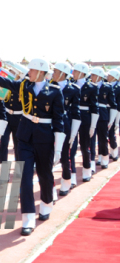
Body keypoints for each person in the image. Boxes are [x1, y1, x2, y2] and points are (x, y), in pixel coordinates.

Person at [0, 59, 65, 236]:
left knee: (45, 174)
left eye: (32, 70)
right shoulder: (24, 85)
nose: (28, 72)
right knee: (24, 177)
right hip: (25, 136)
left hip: (45, 138)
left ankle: (47, 203)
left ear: (40, 72)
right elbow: (3, 82)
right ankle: (28, 217)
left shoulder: (55, 92)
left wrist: (58, 148)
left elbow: (59, 121)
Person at [50, 62, 80, 195]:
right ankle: (50, 189)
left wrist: (73, 133)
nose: (53, 73)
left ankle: (66, 181)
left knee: (64, 156)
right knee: (48, 157)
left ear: (63, 73)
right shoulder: (48, 86)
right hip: (49, 125)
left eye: (55, 71)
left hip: (65, 125)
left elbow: (76, 113)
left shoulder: (73, 89)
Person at [72, 62, 98, 182]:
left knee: (84, 146)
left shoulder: (92, 87)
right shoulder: (70, 85)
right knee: (71, 147)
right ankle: (71, 175)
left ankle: (87, 170)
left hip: (85, 118)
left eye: (75, 71)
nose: (73, 73)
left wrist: (93, 125)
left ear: (82, 73)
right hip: (73, 116)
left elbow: (94, 107)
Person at [89, 67, 116, 169]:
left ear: (99, 76)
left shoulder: (107, 87)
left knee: (103, 138)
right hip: (90, 114)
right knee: (91, 139)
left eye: (93, 75)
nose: (91, 77)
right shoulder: (88, 86)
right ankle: (92, 160)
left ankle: (104, 158)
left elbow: (113, 104)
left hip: (102, 115)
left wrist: (112, 120)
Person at [107, 69, 120, 162]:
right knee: (105, 134)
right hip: (105, 111)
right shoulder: (106, 86)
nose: (107, 77)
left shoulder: (118, 88)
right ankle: (111, 152)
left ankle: (114, 152)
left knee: (111, 134)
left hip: (115, 112)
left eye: (109, 75)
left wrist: (116, 121)